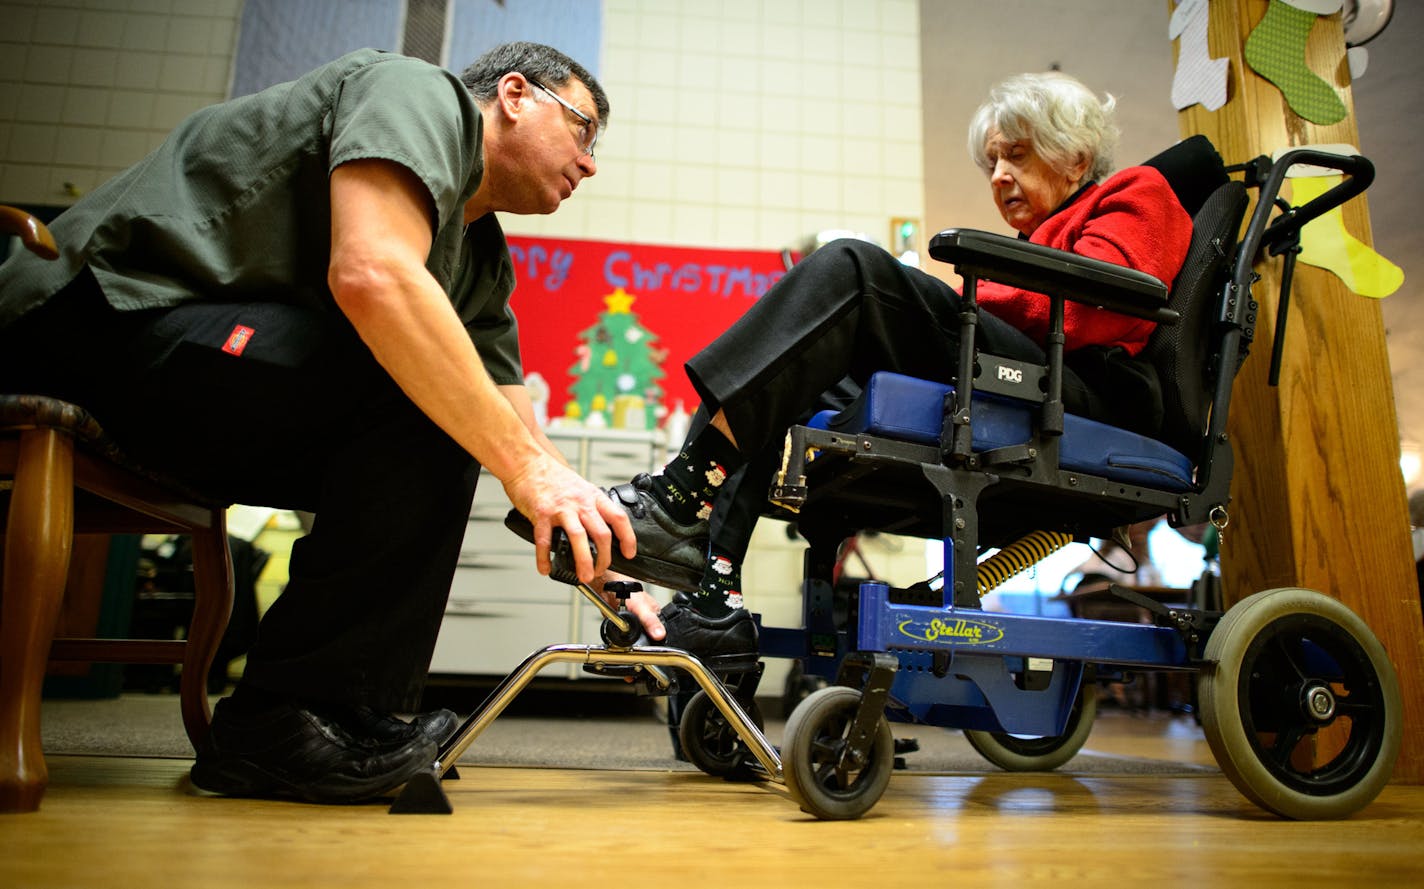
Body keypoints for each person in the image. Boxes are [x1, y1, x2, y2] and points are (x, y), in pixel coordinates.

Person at [0, 43, 641, 803]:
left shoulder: (480, 259)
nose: (590, 163)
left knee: (449, 409)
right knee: (419, 380)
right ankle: (281, 720)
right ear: (513, 94)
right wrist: (527, 471)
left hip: (191, 378)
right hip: (99, 315)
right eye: (584, 129)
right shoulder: (417, 93)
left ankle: (336, 711)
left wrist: (604, 556)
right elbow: (372, 273)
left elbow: (517, 433)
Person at [559, 71, 1195, 661]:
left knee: (853, 267)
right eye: (992, 161)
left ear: (1075, 157)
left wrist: (960, 297)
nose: (998, 175)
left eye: (1016, 155)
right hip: (1028, 379)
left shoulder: (1137, 193)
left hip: (1082, 391)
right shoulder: (1036, 246)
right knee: (791, 372)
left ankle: (678, 499)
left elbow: (1096, 305)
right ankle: (713, 583)